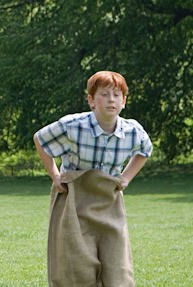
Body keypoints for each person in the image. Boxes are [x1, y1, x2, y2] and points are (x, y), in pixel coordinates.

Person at [34, 70, 151, 287]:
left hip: (109, 202)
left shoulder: (132, 131)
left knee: (117, 269)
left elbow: (145, 150)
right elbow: (40, 139)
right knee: (75, 268)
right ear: (91, 100)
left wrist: (125, 178)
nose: (111, 100)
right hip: (73, 201)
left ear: (124, 101)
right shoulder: (73, 125)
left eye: (117, 95)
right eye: (104, 94)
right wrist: (55, 176)